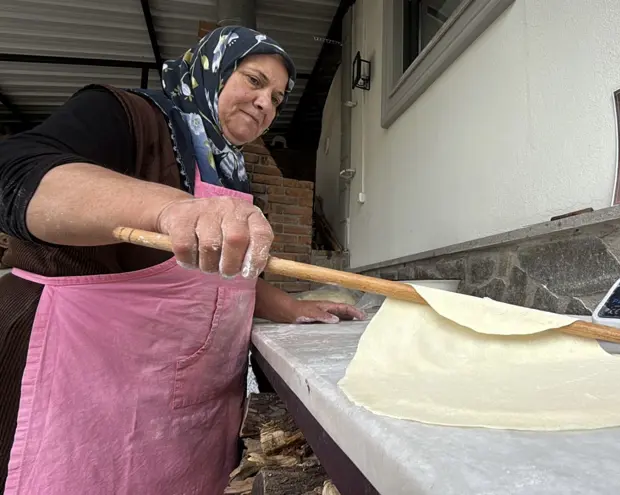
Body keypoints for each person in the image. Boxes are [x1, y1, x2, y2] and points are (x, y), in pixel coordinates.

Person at [0, 26, 365, 493]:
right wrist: (169, 208)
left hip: (192, 400)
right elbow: (16, 171)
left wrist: (291, 307)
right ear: (210, 69)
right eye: (254, 81)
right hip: (81, 381)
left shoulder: (230, 166)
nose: (266, 104)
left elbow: (220, 278)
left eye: (277, 97)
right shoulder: (128, 115)